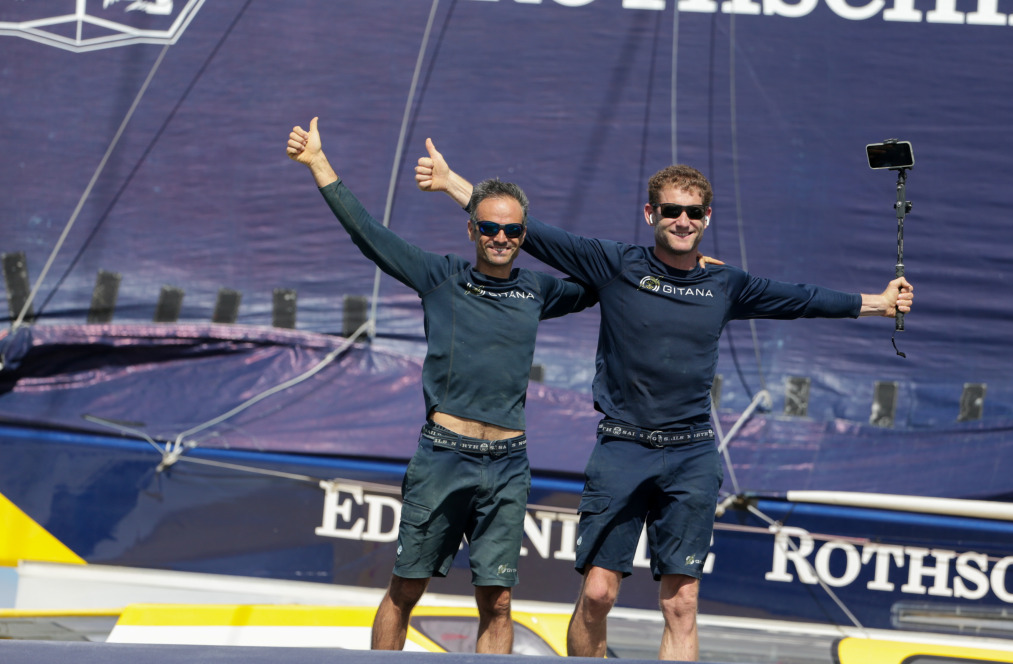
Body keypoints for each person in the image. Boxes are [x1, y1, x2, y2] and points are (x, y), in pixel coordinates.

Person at [415, 140, 914, 661]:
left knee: (682, 603)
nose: (682, 221)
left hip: (691, 453)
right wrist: (452, 184)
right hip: (623, 448)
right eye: (672, 210)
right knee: (598, 594)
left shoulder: (725, 282)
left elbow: (800, 299)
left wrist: (877, 304)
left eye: (693, 213)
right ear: (650, 213)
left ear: (706, 218)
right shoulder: (615, 264)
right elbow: (528, 231)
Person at [286, 118, 595, 654]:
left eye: (513, 231)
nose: (501, 238)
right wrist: (318, 162)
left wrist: (682, 267)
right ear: (471, 230)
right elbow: (368, 233)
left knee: (498, 602)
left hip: (508, 464)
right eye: (489, 227)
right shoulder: (440, 276)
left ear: (524, 237)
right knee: (406, 588)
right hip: (444, 457)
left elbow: (604, 277)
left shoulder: (538, 290)